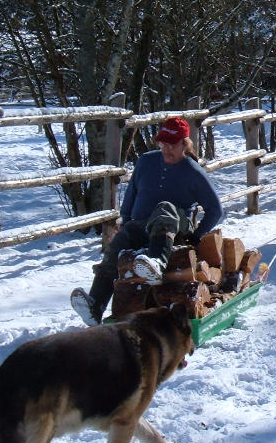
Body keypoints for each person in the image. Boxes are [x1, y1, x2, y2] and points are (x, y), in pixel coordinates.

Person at [70, 117, 224, 326]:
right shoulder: (146, 161)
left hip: (175, 228)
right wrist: (124, 224)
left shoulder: (193, 172)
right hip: (143, 225)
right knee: (118, 245)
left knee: (164, 208)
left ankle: (157, 262)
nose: (166, 149)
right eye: (163, 144)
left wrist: (196, 236)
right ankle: (96, 305)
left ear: (184, 144)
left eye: (172, 145)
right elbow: (132, 194)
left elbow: (216, 209)